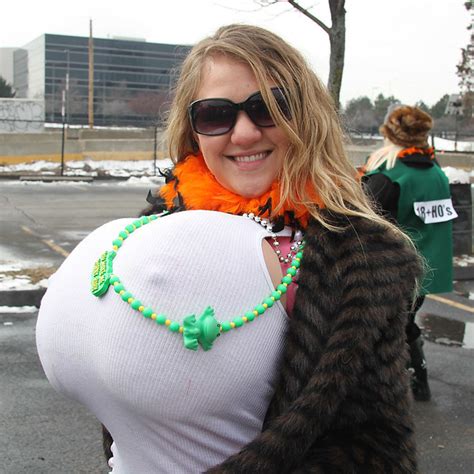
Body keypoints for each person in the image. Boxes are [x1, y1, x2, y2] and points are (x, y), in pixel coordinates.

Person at [37, 24, 422, 473]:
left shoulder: (357, 254)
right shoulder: (160, 226)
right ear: (193, 129)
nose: (243, 134)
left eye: (269, 107)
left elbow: (376, 446)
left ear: (306, 116)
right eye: (216, 114)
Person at [362, 105, 456, 402]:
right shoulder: (437, 173)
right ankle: (419, 380)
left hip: (393, 269)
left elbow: (364, 220)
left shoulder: (390, 176)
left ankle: (396, 386)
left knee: (390, 327)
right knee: (403, 322)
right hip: (428, 270)